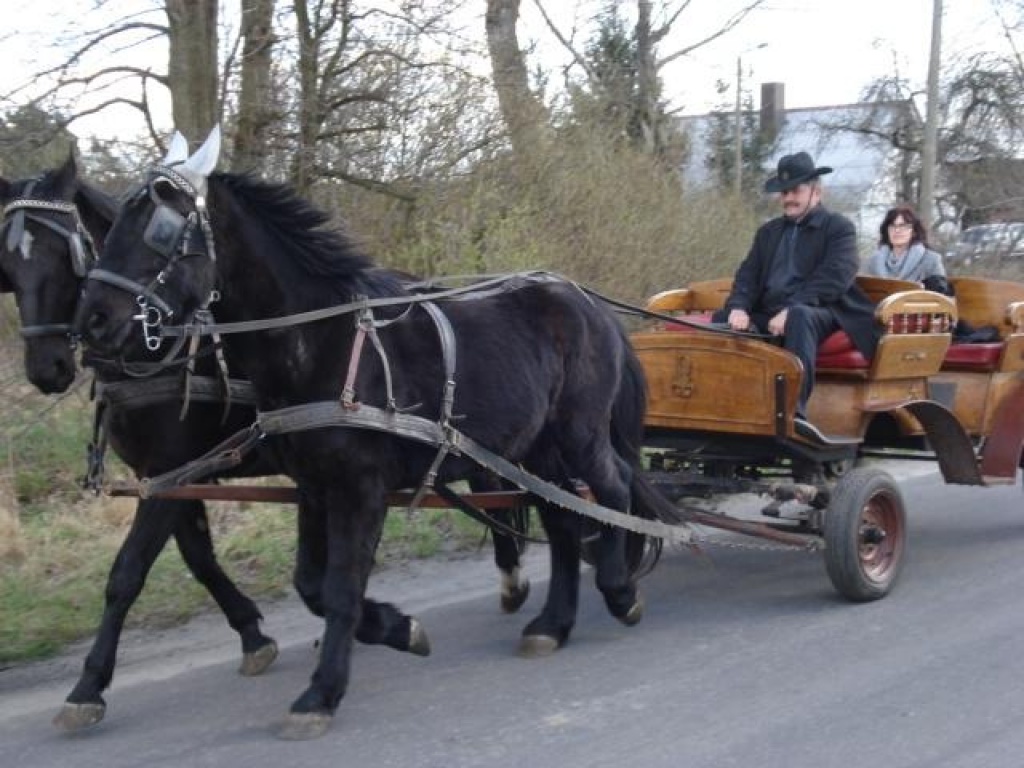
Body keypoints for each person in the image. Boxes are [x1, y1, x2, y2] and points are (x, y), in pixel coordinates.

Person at [713, 151, 880, 420]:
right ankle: (731, 407)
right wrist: (739, 307)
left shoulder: (838, 228)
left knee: (800, 317)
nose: (788, 198)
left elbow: (834, 277)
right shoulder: (768, 232)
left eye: (795, 191)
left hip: (824, 310)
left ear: (816, 192)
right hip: (771, 311)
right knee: (723, 320)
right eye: (784, 192)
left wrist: (791, 309)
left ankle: (793, 412)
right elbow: (748, 275)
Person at [863, 205, 950, 293]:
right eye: (892, 226)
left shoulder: (931, 259)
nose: (897, 230)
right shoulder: (873, 261)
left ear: (914, 231)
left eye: (903, 226)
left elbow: (940, 296)